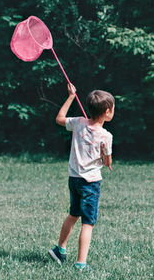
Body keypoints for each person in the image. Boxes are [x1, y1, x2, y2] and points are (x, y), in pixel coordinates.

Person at [48, 83, 114, 271]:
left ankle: (60, 249)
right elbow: (107, 161)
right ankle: (81, 263)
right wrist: (106, 158)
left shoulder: (78, 123)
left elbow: (59, 118)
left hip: (74, 179)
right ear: (108, 112)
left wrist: (70, 96)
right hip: (91, 183)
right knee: (88, 223)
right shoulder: (105, 136)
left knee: (73, 214)